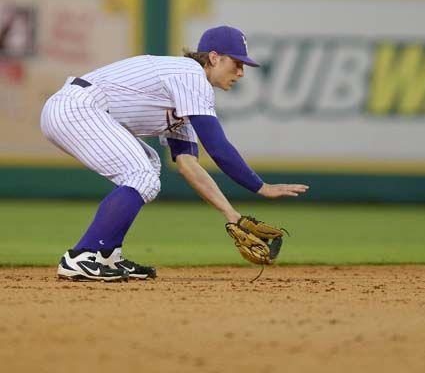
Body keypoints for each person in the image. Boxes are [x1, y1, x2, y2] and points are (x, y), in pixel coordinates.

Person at [40, 25, 309, 282]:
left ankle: (107, 255)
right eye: (236, 63)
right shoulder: (190, 75)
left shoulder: (188, 97)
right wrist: (260, 187)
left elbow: (188, 164)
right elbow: (218, 147)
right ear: (214, 58)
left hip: (79, 111)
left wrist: (232, 214)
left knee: (148, 166)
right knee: (141, 174)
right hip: (76, 108)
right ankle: (83, 255)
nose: (241, 72)